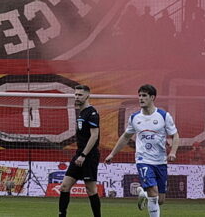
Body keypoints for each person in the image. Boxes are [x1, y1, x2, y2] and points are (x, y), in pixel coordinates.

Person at [105, 84, 179, 216]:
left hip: (161, 161)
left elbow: (175, 135)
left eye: (144, 95)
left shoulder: (163, 116)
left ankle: (143, 193)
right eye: (139, 95)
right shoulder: (135, 118)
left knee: (160, 200)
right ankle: (148, 194)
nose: (140, 98)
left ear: (152, 97)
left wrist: (173, 152)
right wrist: (112, 154)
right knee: (153, 192)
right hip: (143, 159)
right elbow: (126, 136)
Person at [59, 84, 101, 217]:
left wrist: (83, 155)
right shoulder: (81, 113)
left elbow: (94, 136)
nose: (77, 97)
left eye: (80, 95)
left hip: (89, 155)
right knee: (64, 187)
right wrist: (80, 154)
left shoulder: (92, 113)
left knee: (91, 190)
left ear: (88, 95)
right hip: (79, 154)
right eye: (76, 94)